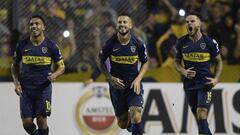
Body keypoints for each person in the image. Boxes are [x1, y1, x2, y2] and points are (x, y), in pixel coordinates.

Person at [11, 15, 65, 135]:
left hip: (43, 89)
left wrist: (55, 74)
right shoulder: (22, 45)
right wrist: (16, 83)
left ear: (43, 27)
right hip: (26, 89)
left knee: (41, 120)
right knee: (27, 123)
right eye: (31, 24)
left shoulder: (51, 46)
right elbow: (14, 66)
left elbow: (62, 67)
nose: (34, 26)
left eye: (37, 24)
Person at [97, 14, 149, 135]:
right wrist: (110, 78)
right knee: (122, 123)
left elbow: (145, 63)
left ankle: (136, 126)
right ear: (117, 25)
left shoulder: (138, 43)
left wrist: (138, 79)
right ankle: (134, 128)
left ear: (130, 25)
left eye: (125, 22)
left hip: (133, 85)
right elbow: (100, 61)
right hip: (117, 87)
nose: (122, 24)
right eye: (120, 22)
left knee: (136, 114)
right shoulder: (110, 44)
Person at [174, 13, 222, 135]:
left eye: (192, 21)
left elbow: (219, 61)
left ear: (199, 24)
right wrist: (183, 71)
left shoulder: (209, 42)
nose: (189, 23)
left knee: (201, 113)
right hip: (189, 85)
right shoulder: (181, 42)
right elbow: (176, 62)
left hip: (205, 84)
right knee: (200, 120)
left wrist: (216, 78)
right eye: (187, 22)